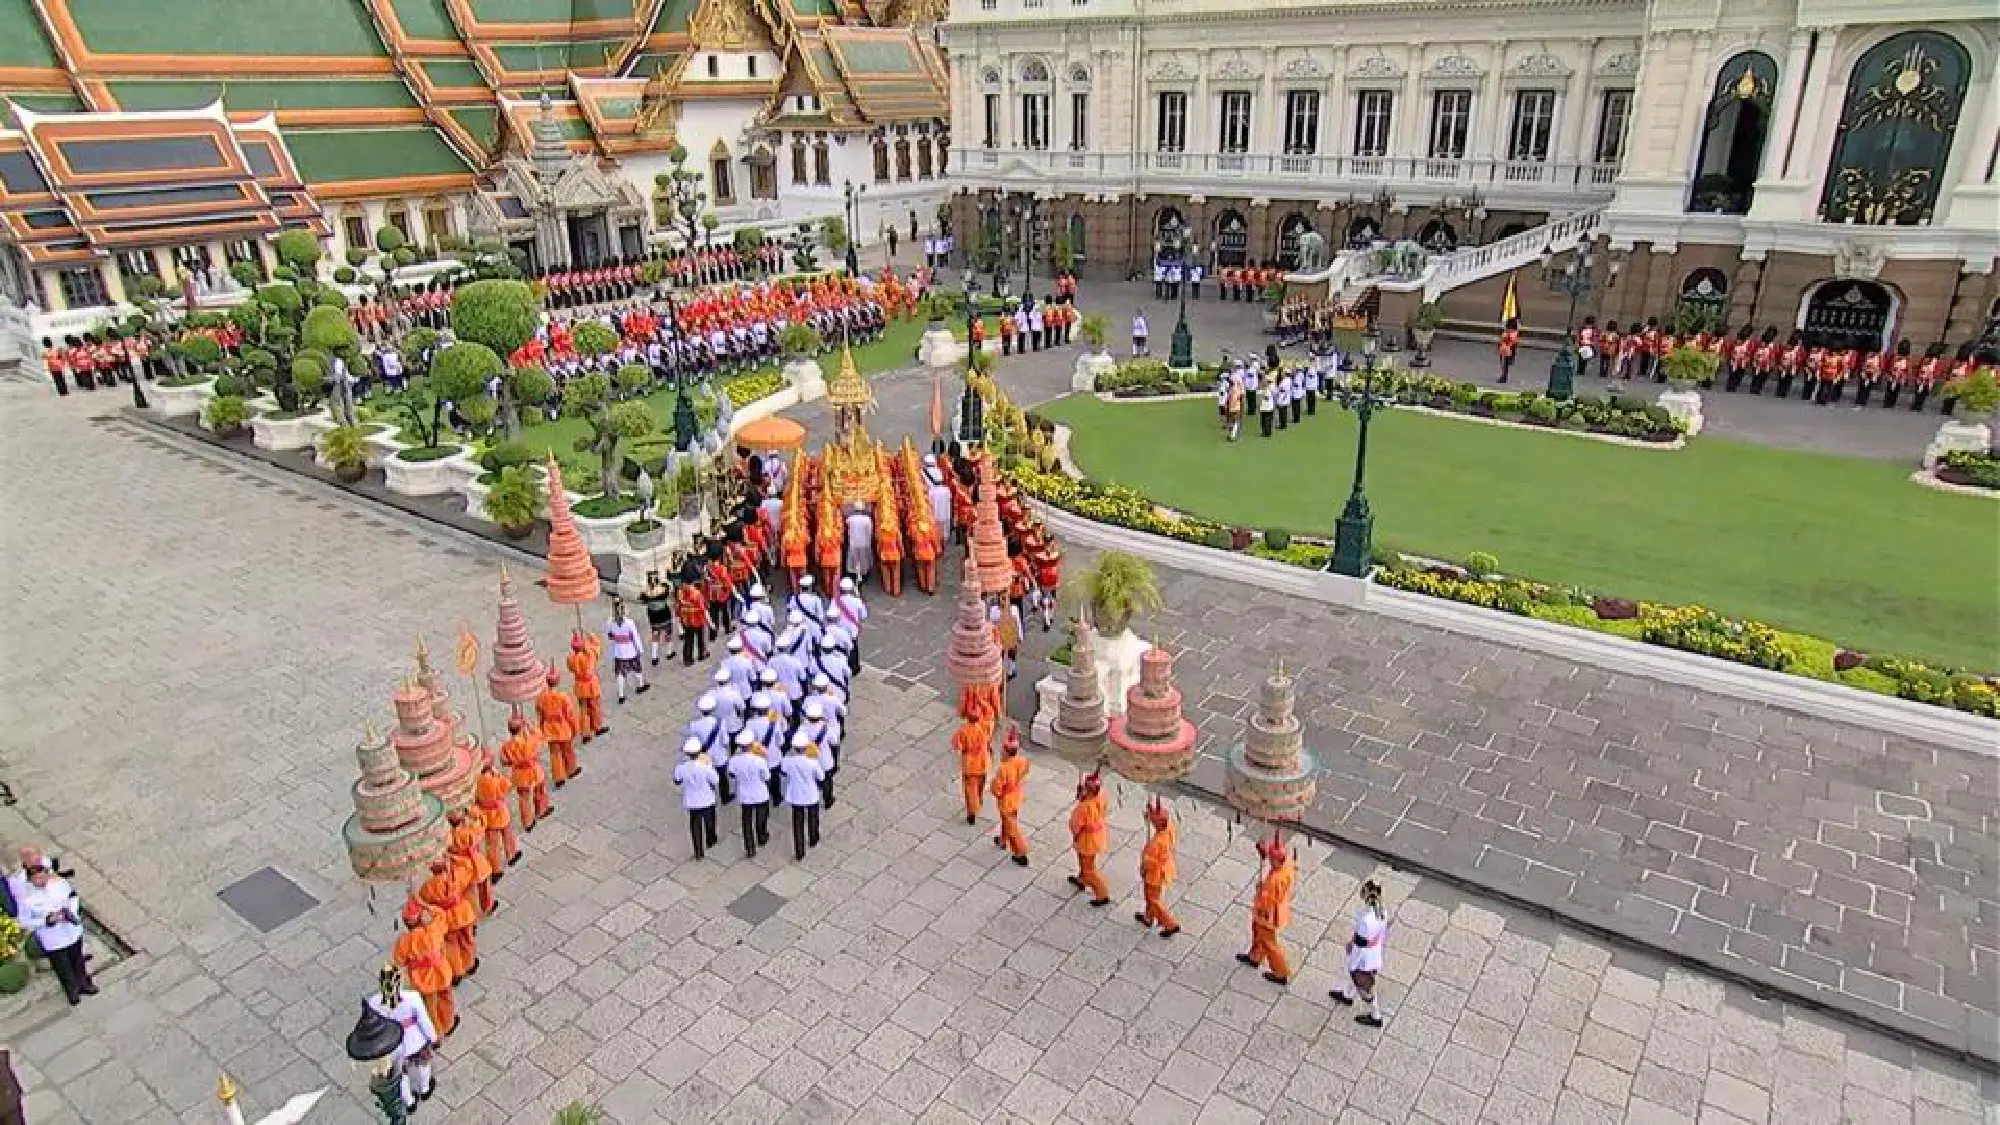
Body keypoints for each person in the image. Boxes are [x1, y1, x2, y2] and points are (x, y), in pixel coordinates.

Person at [13, 858, 91, 1005]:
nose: (41, 880)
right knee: (63, 966)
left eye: (43, 875)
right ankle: (72, 990)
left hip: (71, 931)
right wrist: (47, 920)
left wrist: (70, 912)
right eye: (37, 878)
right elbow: (24, 921)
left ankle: (84, 984)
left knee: (78, 960)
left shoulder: (59, 884)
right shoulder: (26, 899)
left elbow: (73, 897)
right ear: (31, 879)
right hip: (53, 939)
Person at [366, 963, 438, 1112]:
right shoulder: (412, 998)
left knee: (400, 1075)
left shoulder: (373, 1003)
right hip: (414, 1041)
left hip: (391, 1045)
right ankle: (424, 1089)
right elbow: (423, 1020)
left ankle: (409, 1102)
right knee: (422, 1065)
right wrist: (432, 1036)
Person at [1236, 834, 1296, 985]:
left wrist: (1261, 890)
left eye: (1271, 858)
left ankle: (1280, 972)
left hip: (1269, 913)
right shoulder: (1287, 866)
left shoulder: (1276, 880)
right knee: (1256, 930)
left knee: (1269, 942)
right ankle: (1255, 955)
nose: (1269, 860)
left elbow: (1267, 900)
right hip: (1275, 908)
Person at [1331, 880, 1391, 1027]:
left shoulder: (1366, 921)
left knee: (1364, 984)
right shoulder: (1382, 911)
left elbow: (1359, 943)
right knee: (1358, 978)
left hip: (1364, 956)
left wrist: (1353, 958)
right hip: (1374, 950)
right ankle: (1347, 995)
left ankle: (1376, 1016)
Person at [393, 899, 456, 1037]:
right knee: (446, 997)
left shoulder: (404, 941)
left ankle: (435, 1033)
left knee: (429, 1008)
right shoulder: (433, 931)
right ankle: (448, 1022)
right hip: (441, 972)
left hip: (422, 979)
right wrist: (426, 905)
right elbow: (441, 915)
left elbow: (398, 960)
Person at [1135, 796, 1181, 937]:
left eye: (1154, 820)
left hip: (1155, 872)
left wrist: (1143, 868)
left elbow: (1150, 862)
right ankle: (1148, 917)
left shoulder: (1157, 843)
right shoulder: (1169, 828)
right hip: (1164, 867)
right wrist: (1151, 812)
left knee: (1153, 899)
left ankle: (1170, 923)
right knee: (1151, 896)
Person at [779, 733, 828, 861]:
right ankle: (813, 838)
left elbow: (783, 773)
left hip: (795, 795)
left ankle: (799, 850)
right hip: (810, 793)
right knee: (813, 817)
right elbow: (821, 777)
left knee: (797, 823)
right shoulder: (812, 762)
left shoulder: (787, 761)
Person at [1067, 771, 1112, 907]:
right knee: (1086, 862)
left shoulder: (1083, 807)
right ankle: (1082, 879)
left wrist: (1075, 835)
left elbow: (1076, 824)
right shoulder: (1101, 798)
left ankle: (1102, 893)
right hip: (1097, 835)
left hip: (1087, 839)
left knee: (1089, 869)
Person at [499, 715, 550, 831]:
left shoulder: (506, 746)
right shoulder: (529, 741)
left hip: (518, 773)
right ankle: (541, 810)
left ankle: (527, 822)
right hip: (533, 769)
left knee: (523, 798)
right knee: (540, 788)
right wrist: (530, 728)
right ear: (522, 728)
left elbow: (504, 761)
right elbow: (540, 739)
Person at [727, 729, 773, 857]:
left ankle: (750, 847)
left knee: (746, 821)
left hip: (744, 793)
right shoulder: (759, 760)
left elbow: (731, 774)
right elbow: (767, 776)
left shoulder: (734, 760)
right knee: (761, 816)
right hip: (759, 792)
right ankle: (761, 836)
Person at [674, 739, 721, 860]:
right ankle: (711, 840)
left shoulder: (681, 767)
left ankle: (698, 851)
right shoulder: (705, 765)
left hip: (692, 800)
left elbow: (677, 781)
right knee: (710, 821)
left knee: (695, 825)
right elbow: (715, 780)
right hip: (706, 799)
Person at [990, 725, 1031, 866]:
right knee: (1008, 820)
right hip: (1017, 794)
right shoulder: (1022, 761)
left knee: (1011, 826)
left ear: (1007, 752)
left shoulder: (1003, 768)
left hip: (1006, 799)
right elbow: (1026, 770)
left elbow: (997, 787)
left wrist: (996, 792)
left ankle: (1021, 852)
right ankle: (1003, 839)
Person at [535, 668, 581, 787]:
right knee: (568, 750)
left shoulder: (541, 698)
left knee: (555, 754)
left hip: (549, 728)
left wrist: (541, 729)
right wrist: (575, 728)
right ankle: (571, 770)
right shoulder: (563, 697)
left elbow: (540, 716)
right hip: (562, 727)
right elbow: (570, 715)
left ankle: (558, 776)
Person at [952, 703, 993, 825]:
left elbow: (956, 745)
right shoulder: (984, 727)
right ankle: (979, 801)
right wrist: (982, 702)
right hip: (983, 761)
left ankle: (972, 812)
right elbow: (990, 713)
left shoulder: (963, 730)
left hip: (969, 763)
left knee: (970, 789)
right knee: (981, 784)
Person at [602, 602, 648, 706]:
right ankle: (640, 685)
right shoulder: (629, 623)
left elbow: (607, 633)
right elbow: (635, 637)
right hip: (630, 650)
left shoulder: (610, 622)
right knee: (637, 669)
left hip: (618, 651)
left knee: (620, 674)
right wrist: (640, 649)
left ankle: (621, 695)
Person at [832, 577, 868, 672]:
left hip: (840, 629)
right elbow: (864, 615)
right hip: (852, 629)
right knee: (853, 649)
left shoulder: (835, 601)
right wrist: (859, 597)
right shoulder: (856, 601)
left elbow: (831, 613)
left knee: (840, 649)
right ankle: (854, 668)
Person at [677, 565, 711, 664]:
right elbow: (702, 608)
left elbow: (678, 606)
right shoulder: (696, 593)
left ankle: (687, 659)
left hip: (686, 618)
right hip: (697, 617)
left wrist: (680, 617)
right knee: (700, 637)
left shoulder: (680, 591)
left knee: (688, 639)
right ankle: (701, 654)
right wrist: (710, 622)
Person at [642, 571, 675, 665]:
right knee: (668, 634)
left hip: (653, 617)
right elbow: (669, 590)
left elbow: (642, 599)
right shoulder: (663, 589)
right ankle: (669, 652)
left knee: (655, 635)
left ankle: (654, 657)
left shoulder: (645, 592)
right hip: (664, 615)